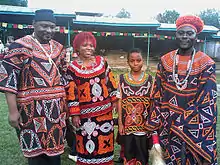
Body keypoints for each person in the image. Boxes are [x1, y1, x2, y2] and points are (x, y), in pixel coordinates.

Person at [146, 15, 217, 164]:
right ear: (175, 35)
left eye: (189, 33)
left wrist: (182, 121)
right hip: (168, 124)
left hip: (193, 126)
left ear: (196, 36)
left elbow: (207, 100)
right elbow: (157, 92)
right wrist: (156, 120)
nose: (185, 36)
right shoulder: (165, 61)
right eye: (181, 33)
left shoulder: (206, 63)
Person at [0, 9, 67, 165]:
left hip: (57, 112)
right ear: (33, 25)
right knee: (35, 155)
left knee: (54, 154)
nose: (48, 30)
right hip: (30, 112)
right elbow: (9, 81)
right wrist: (13, 112)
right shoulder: (19, 46)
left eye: (52, 27)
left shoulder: (59, 48)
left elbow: (65, 76)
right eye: (44, 26)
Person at [65, 32, 118, 165]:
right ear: (77, 48)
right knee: (86, 142)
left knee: (104, 141)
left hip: (105, 113)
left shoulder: (102, 62)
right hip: (84, 115)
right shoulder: (72, 68)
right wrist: (75, 114)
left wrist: (115, 101)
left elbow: (111, 82)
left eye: (91, 45)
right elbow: (72, 92)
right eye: (84, 45)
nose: (89, 48)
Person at [117, 48, 153, 165]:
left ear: (143, 61)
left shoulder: (149, 80)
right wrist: (121, 124)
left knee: (142, 156)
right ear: (128, 62)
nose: (135, 63)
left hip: (143, 126)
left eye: (138, 60)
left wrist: (150, 124)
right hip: (127, 126)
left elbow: (152, 103)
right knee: (128, 154)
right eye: (132, 60)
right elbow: (120, 101)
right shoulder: (122, 79)